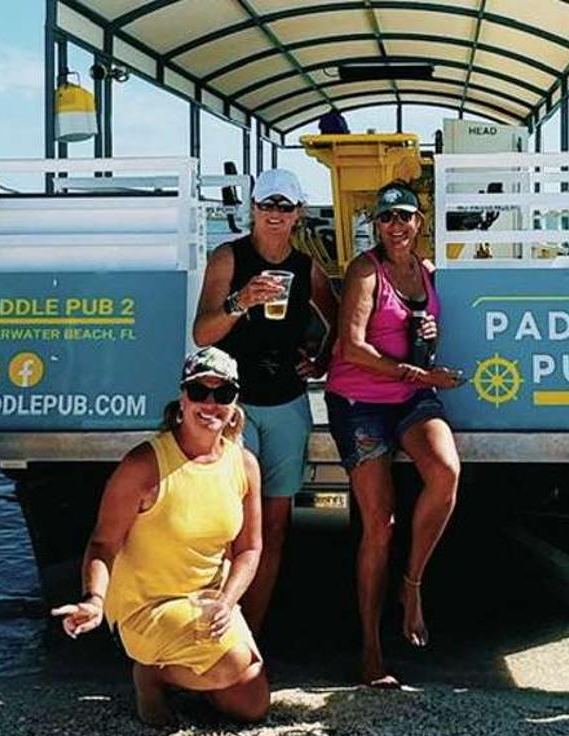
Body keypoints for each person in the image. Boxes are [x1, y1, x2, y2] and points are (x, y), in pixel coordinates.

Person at [51, 348, 269, 726]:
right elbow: (103, 544)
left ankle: (185, 671)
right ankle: (150, 673)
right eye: (200, 391)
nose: (210, 404)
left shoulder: (244, 463)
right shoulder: (142, 464)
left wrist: (228, 601)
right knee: (232, 664)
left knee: (251, 706)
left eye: (223, 394)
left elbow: (250, 547)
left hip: (208, 601)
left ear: (235, 403)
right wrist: (94, 600)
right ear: (182, 398)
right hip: (147, 605)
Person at [325, 182, 465, 689]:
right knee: (379, 524)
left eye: (405, 216)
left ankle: (413, 585)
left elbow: (421, 339)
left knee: (446, 470)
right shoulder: (366, 270)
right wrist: (424, 375)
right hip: (360, 400)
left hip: (407, 396)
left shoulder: (427, 273)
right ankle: (371, 647)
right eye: (386, 219)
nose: (396, 226)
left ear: (419, 222)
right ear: (376, 227)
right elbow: (353, 347)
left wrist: (429, 344)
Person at [192, 167, 337, 633]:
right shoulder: (228, 257)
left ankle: (250, 632)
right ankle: (218, 625)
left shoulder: (307, 268)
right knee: (228, 525)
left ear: (298, 213)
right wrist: (241, 302)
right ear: (252, 208)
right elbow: (202, 334)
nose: (274, 214)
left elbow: (338, 317)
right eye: (266, 205)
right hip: (235, 406)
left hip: (288, 404)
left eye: (284, 206)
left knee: (273, 528)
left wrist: (320, 361)